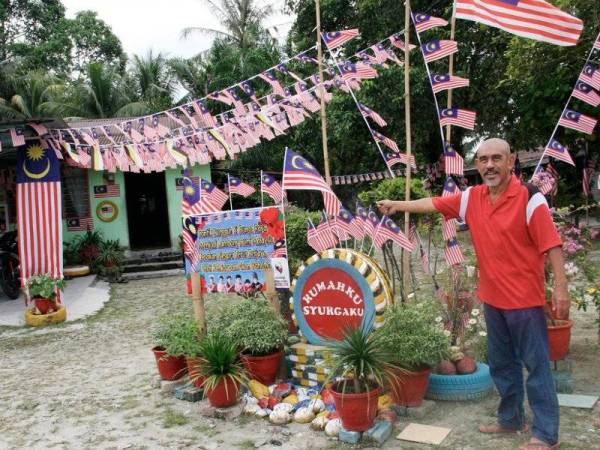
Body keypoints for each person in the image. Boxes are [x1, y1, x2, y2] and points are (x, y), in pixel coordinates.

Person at [377, 138, 569, 450]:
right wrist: (398, 206)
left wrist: (561, 288)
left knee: (536, 366)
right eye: (483, 160)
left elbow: (552, 243)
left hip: (526, 301)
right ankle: (511, 419)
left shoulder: (530, 197)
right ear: (476, 164)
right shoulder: (472, 198)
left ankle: (547, 434)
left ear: (511, 160)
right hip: (493, 298)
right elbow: (435, 204)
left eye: (496, 158)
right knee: (502, 364)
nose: (489, 165)